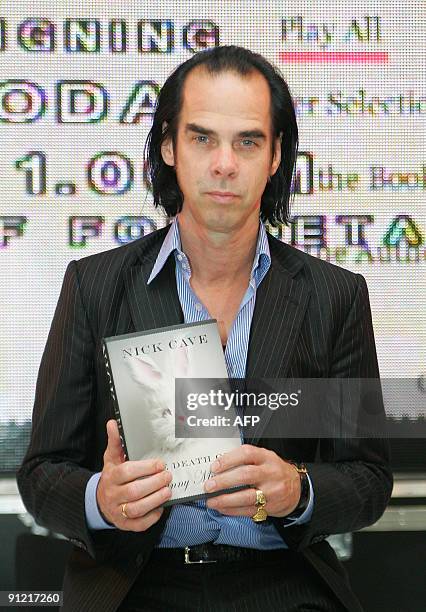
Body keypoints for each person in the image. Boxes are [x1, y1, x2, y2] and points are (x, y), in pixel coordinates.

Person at [17, 46, 392, 612]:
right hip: (135, 584)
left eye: (248, 141)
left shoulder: (333, 296)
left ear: (275, 157)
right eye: (202, 138)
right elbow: (42, 474)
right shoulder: (94, 287)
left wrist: (298, 490)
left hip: (282, 585)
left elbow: (368, 477)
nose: (224, 163)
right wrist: (101, 499)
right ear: (168, 147)